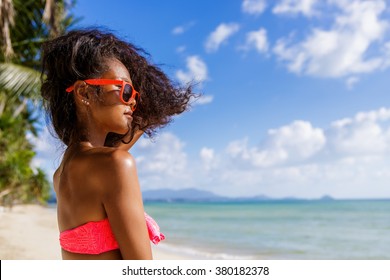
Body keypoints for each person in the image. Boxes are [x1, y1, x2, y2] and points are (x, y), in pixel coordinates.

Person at [41, 28, 196, 260]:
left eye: (134, 93)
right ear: (84, 92)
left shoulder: (61, 175)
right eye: (123, 89)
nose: (133, 100)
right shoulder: (115, 164)